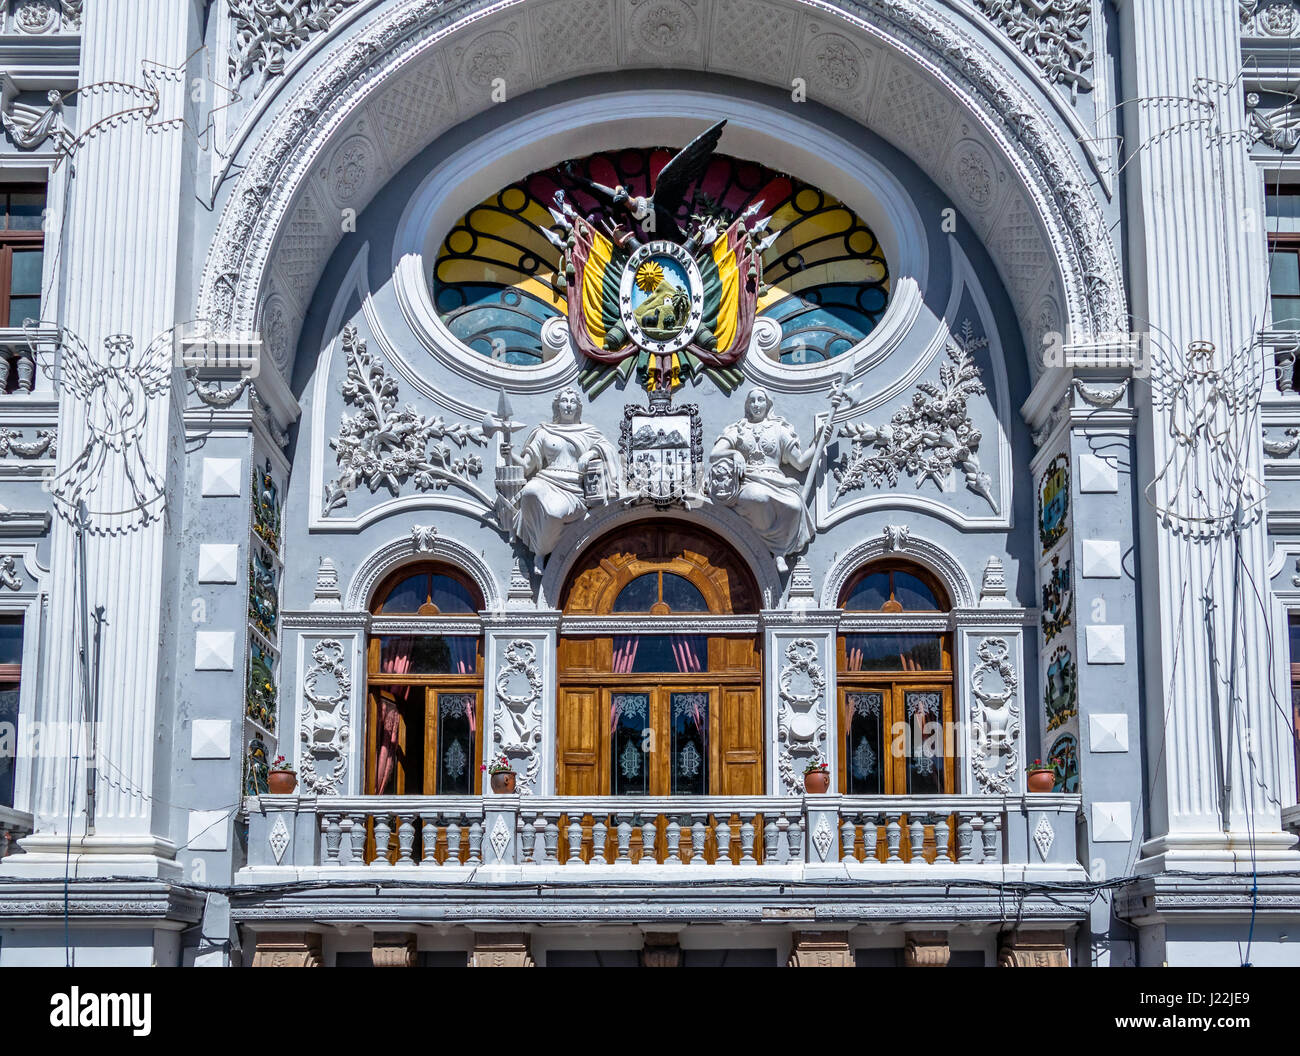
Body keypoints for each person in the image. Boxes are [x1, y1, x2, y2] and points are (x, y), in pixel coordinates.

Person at [707, 387, 834, 566]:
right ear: (747, 405)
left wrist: (818, 441)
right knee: (757, 496)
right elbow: (714, 454)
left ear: (768, 404)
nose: (756, 404)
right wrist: (734, 454)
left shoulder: (778, 429)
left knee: (796, 506)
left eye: (760, 400)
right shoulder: (739, 429)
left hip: (776, 479)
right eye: (752, 401)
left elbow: (800, 462)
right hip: (749, 478)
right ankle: (763, 547)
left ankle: (779, 551)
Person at [511, 388, 618, 572]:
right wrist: (509, 454)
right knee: (529, 492)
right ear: (557, 405)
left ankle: (542, 550)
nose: (568, 405)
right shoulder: (544, 432)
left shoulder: (587, 432)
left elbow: (607, 447)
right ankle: (540, 548)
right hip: (546, 479)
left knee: (554, 513)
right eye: (564, 401)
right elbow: (526, 466)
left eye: (572, 402)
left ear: (578, 407)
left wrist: (591, 453)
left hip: (573, 488)